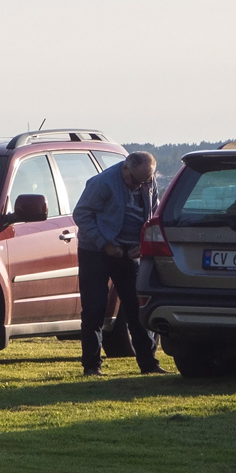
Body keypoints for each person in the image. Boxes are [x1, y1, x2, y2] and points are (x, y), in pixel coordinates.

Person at [72, 151, 167, 377]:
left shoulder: (146, 181)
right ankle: (92, 366)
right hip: (95, 251)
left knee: (137, 308)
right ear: (125, 168)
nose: (140, 186)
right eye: (136, 181)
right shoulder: (102, 183)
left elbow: (154, 215)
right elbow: (81, 214)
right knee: (94, 308)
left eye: (146, 181)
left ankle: (149, 364)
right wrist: (104, 244)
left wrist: (142, 245)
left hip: (128, 252)